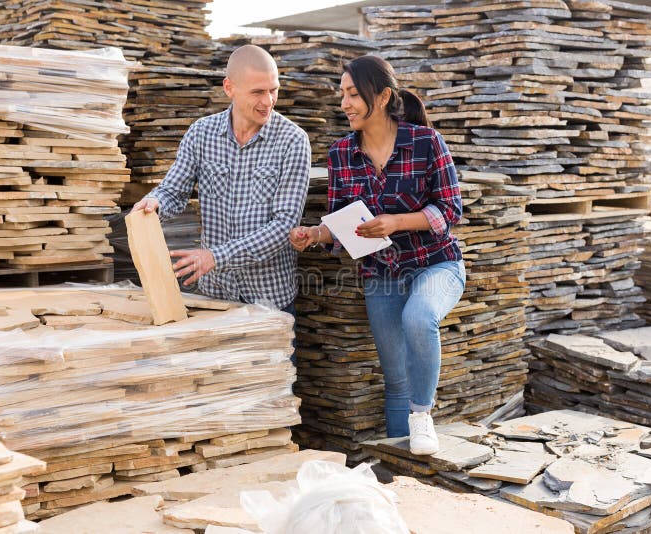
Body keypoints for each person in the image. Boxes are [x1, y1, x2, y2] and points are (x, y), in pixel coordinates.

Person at [289, 55, 465, 455]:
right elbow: (340, 220)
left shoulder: (426, 142)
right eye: (342, 95)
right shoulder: (341, 154)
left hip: (438, 264)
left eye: (353, 94)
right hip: (381, 274)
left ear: (383, 96)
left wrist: (396, 222)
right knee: (395, 381)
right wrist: (314, 233)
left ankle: (422, 417)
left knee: (419, 317)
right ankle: (398, 473)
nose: (344, 104)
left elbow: (451, 210)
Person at [133, 45, 311, 315]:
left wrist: (217, 257)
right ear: (229, 88)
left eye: (273, 90)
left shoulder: (293, 141)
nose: (268, 101)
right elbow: (173, 190)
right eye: (257, 92)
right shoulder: (201, 134)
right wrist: (154, 202)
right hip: (214, 295)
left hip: (268, 299)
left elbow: (283, 225)